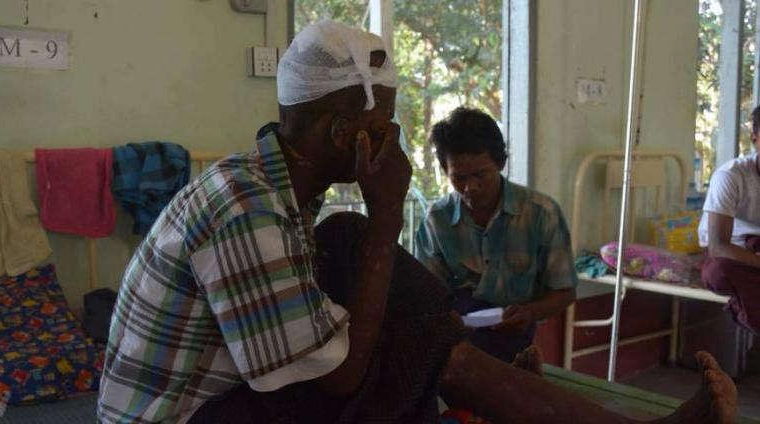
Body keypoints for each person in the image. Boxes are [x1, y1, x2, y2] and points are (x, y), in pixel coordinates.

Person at [99, 20, 737, 424]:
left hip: (237, 392)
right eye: (383, 130)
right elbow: (342, 373)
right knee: (398, 331)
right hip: (192, 415)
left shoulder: (281, 193)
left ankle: (504, 396)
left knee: (350, 251)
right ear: (341, 133)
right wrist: (382, 218)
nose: (393, 145)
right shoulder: (246, 208)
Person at [415, 107, 577, 362]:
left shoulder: (541, 214)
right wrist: (447, 317)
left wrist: (530, 312)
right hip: (455, 340)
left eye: (481, 175)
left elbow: (565, 292)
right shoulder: (436, 221)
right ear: (446, 171)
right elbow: (426, 295)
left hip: (515, 338)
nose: (471, 188)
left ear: (501, 163)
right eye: (459, 178)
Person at [699, 105, 760, 336]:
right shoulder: (731, 176)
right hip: (731, 251)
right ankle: (743, 310)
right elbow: (718, 246)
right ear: (755, 139)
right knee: (717, 273)